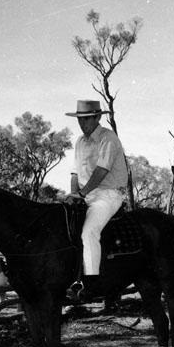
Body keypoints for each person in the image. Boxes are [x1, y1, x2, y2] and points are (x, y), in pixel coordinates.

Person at [65, 100, 128, 300]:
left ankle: (92, 284)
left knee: (88, 232)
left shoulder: (108, 138)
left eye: (86, 119)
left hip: (109, 194)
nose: (82, 123)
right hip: (86, 194)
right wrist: (74, 195)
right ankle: (71, 279)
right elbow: (75, 173)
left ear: (97, 117)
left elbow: (102, 170)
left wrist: (82, 194)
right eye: (79, 119)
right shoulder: (79, 142)